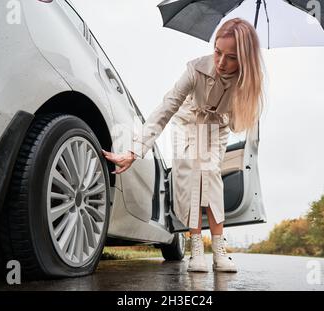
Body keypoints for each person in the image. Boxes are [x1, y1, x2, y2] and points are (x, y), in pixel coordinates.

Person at [102, 18, 264, 273]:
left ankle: (219, 251)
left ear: (244, 59)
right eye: (218, 52)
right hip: (188, 121)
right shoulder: (195, 69)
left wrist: (241, 97)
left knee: (210, 175)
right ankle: (195, 247)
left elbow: (236, 125)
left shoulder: (248, 82)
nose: (221, 63)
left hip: (216, 128)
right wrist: (134, 151)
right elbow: (167, 107)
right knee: (190, 178)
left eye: (231, 57)